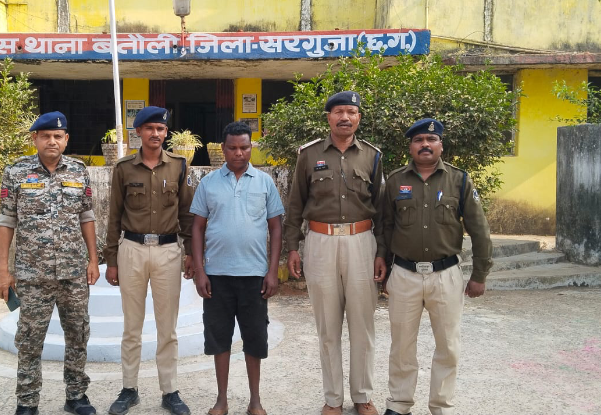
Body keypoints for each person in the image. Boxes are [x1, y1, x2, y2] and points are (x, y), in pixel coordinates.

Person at [378, 118, 492, 415]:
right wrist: (384, 266)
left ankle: (441, 406)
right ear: (411, 147)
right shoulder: (395, 181)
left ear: (441, 145)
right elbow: (385, 227)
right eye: (419, 140)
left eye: (431, 140)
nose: (425, 145)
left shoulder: (459, 180)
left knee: (448, 345)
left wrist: (479, 274)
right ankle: (399, 403)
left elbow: (479, 230)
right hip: (404, 274)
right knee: (402, 345)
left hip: (446, 275)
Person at [285, 91, 386, 415]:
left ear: (359, 117)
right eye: (339, 111)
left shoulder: (372, 156)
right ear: (328, 117)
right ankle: (333, 399)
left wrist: (382, 252)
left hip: (361, 243)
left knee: (362, 326)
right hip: (320, 242)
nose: (345, 117)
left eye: (351, 112)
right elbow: (296, 204)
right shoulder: (309, 154)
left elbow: (382, 209)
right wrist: (292, 247)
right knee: (328, 328)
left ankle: (362, 396)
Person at [0, 111, 100, 415]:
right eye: (45, 136)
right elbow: (6, 221)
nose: (51, 141)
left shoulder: (79, 171)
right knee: (29, 339)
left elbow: (87, 217)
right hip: (32, 274)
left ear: (66, 139)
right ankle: (27, 402)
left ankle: (76, 396)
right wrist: (2, 270)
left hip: (73, 271)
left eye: (57, 136)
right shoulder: (16, 172)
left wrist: (93, 260)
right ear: (35, 139)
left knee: (78, 334)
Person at [103, 106, 194, 415]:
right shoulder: (124, 168)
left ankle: (170, 391)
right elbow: (113, 215)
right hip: (132, 249)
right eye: (150, 128)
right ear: (138, 132)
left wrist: (190, 254)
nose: (156, 134)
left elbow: (186, 213)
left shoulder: (178, 166)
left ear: (166, 133)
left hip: (168, 251)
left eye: (161, 129)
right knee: (132, 326)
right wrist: (111, 259)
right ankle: (129, 389)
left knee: (168, 328)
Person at [190, 121, 285, 415]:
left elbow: (276, 228)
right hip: (217, 276)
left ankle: (255, 400)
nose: (239, 153)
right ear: (223, 148)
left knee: (254, 339)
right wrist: (200, 271)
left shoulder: (264, 182)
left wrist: (272, 271)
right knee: (219, 338)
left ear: (251, 147)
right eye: (232, 148)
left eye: (244, 147)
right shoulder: (208, 183)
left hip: (254, 275)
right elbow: (197, 228)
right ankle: (222, 399)